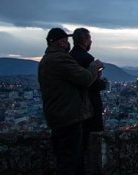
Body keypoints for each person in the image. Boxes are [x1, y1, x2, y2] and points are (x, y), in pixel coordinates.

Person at [38, 27, 103, 175]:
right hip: (68, 117)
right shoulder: (60, 59)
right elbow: (86, 79)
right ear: (58, 43)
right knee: (71, 161)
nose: (67, 43)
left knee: (65, 158)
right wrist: (95, 66)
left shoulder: (45, 60)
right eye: (64, 41)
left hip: (56, 116)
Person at [70, 28, 108, 150]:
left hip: (74, 106)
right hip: (90, 106)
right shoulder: (87, 59)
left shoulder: (69, 57)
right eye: (90, 39)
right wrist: (103, 83)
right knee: (93, 141)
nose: (91, 42)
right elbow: (92, 83)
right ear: (85, 40)